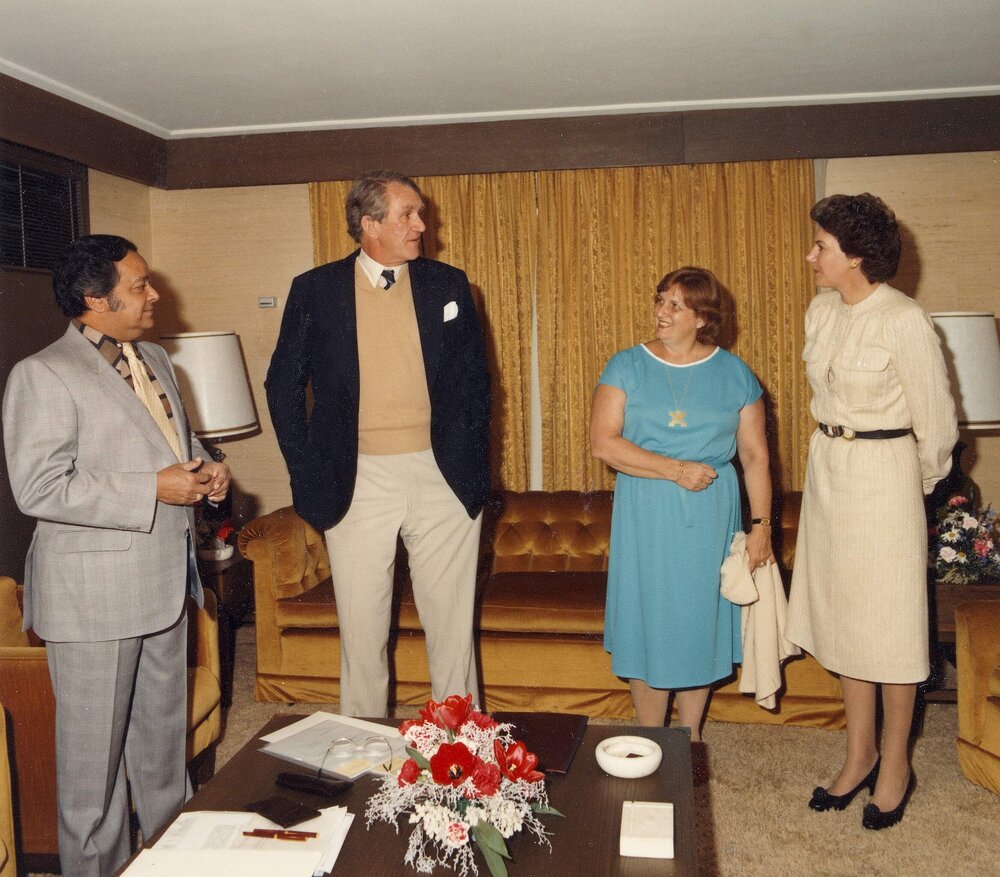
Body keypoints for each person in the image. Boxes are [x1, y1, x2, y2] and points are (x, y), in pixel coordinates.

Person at [1, 234, 230, 876]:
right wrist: (152, 488)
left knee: (163, 763)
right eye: (138, 287)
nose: (153, 295)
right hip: (92, 599)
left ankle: (170, 865)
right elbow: (37, 487)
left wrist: (206, 472)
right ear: (93, 299)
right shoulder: (41, 374)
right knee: (92, 782)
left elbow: (164, 447)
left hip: (164, 587)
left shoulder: (155, 358)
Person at [266, 170, 490, 718]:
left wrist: (474, 461)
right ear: (369, 225)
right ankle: (364, 758)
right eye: (408, 215)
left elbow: (478, 384)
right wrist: (308, 469)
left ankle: (463, 758)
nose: (422, 224)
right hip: (357, 478)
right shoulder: (314, 290)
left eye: (421, 214)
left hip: (444, 478)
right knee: (363, 633)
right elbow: (282, 385)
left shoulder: (449, 284)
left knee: (452, 632)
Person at [786, 193, 957, 830]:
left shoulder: (905, 320)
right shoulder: (822, 311)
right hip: (828, 471)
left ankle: (894, 767)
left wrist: (907, 493)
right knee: (846, 623)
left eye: (821, 247)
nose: (812, 257)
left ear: (856, 255)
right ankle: (856, 755)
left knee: (889, 628)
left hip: (887, 480)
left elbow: (937, 428)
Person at [590, 266, 775, 740]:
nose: (661, 311)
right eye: (660, 299)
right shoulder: (625, 365)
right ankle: (650, 735)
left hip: (713, 514)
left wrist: (762, 526)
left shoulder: (735, 373)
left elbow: (754, 456)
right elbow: (604, 444)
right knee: (648, 618)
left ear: (702, 317)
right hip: (646, 510)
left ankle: (689, 737)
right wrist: (674, 469)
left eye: (676, 304)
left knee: (700, 621)